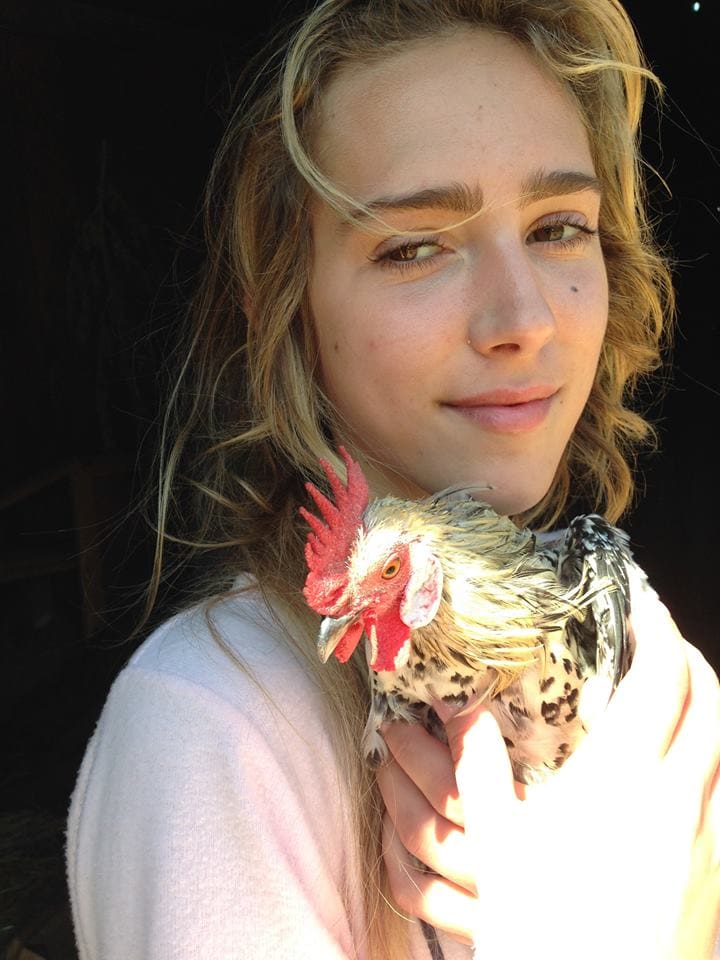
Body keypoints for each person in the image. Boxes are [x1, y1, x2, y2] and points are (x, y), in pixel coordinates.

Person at [65, 1, 720, 958]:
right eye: (414, 246)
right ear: (283, 316)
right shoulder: (216, 736)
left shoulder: (653, 661)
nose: (522, 318)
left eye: (559, 227)